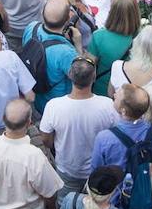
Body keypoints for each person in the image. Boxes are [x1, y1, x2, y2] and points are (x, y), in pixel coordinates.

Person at [39, 56, 118, 193]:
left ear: (70, 75)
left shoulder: (54, 106)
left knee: (65, 203)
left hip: (67, 167)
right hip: (97, 169)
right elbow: (116, 135)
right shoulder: (108, 105)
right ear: (94, 77)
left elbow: (46, 139)